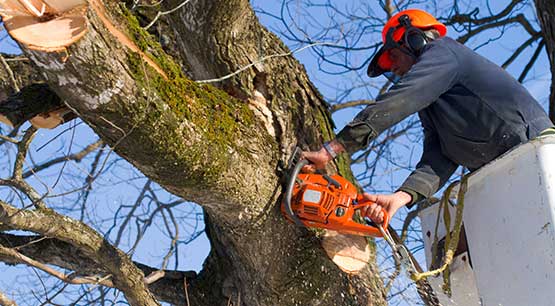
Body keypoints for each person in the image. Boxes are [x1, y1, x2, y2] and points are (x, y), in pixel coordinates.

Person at [302, 9, 555, 224]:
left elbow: (402, 98)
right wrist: (401, 197)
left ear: (414, 40)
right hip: (505, 173)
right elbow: (440, 156)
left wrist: (332, 149)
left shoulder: (444, 53)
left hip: (535, 151)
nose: (395, 68)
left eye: (393, 57)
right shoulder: (434, 103)